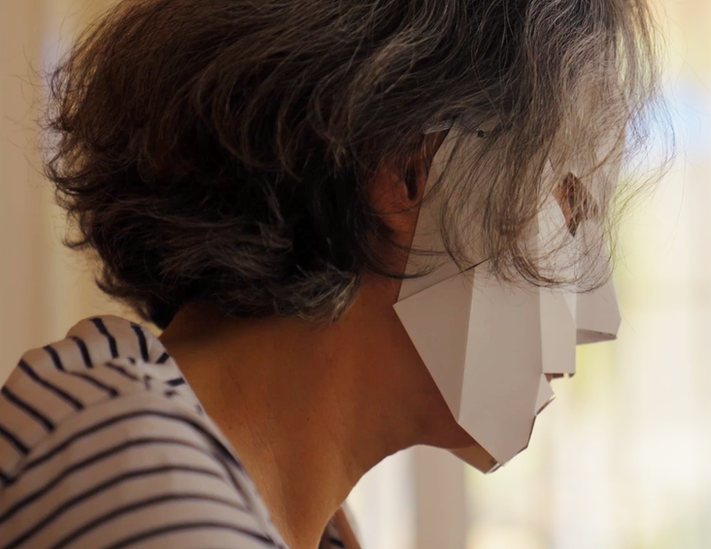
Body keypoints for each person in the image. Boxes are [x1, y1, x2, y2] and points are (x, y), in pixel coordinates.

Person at [0, 0, 661, 547]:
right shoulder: (135, 483)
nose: (599, 319)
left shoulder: (178, 462)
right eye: (569, 202)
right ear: (408, 173)